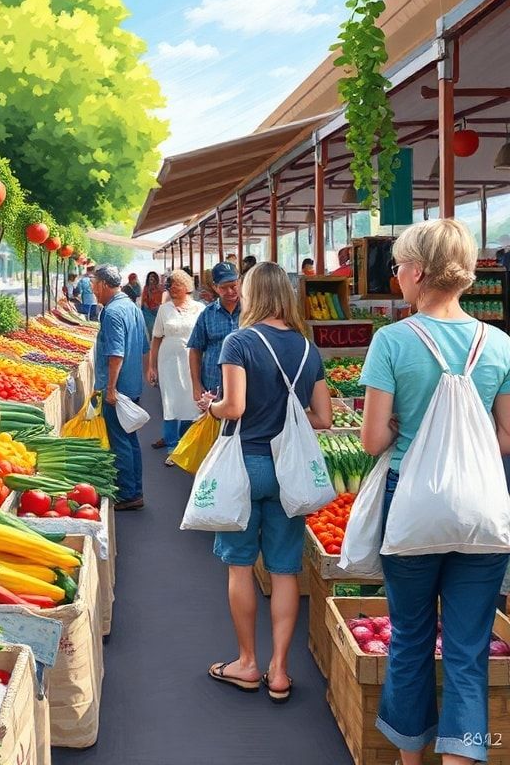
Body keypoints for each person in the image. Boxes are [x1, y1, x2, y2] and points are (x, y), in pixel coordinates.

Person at [360, 219, 510, 765]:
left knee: (410, 642)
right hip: (483, 512)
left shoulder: (392, 341)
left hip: (413, 504)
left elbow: (374, 439)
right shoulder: (499, 344)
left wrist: (405, 429)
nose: (396, 275)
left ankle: (410, 760)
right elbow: (507, 437)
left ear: (419, 272)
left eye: (398, 266)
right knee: (468, 653)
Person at [198, 261, 331, 702]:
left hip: (246, 464)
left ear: (252, 294)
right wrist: (286, 420)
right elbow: (324, 418)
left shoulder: (239, 341)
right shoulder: (308, 348)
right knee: (284, 570)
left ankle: (247, 663)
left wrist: (210, 406)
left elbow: (234, 408)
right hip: (289, 472)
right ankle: (279, 670)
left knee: (240, 565)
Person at [92, 264, 150, 511]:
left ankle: (128, 493)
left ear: (104, 284)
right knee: (130, 438)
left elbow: (115, 354)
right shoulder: (131, 307)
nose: (93, 290)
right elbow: (144, 346)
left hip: (118, 390)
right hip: (132, 385)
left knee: (120, 441)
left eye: (94, 284)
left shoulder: (114, 312)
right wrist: (145, 373)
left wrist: (111, 388)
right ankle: (135, 489)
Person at [147, 269, 205, 465]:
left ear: (187, 287)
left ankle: (185, 444)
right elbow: (156, 339)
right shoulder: (165, 309)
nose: (172, 289)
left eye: (176, 285)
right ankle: (172, 447)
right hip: (168, 361)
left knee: (191, 402)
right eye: (170, 285)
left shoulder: (200, 309)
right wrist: (151, 366)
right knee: (170, 402)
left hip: (192, 360)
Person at [187, 262, 241, 404]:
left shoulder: (252, 311)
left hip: (246, 387)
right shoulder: (207, 314)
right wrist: (196, 385)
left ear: (240, 282)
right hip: (213, 388)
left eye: (233, 286)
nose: (230, 291)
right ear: (215, 287)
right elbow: (195, 350)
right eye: (224, 287)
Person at [141, 271, 163, 338]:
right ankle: (152, 341)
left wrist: (157, 307)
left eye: (153, 277)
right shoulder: (146, 288)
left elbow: (161, 299)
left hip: (157, 310)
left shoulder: (160, 287)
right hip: (148, 312)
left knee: (158, 328)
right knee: (150, 328)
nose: (152, 279)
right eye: (150, 277)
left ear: (156, 279)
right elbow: (144, 299)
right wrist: (147, 307)